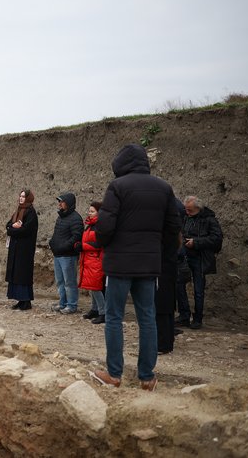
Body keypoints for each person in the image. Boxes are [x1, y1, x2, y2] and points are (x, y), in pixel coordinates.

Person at [92, 143, 181, 391]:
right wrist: (159, 253)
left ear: (120, 163)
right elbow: (173, 226)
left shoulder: (118, 186)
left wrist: (101, 242)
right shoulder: (164, 187)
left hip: (119, 264)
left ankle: (114, 374)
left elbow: (106, 225)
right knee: (148, 318)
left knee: (114, 318)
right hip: (149, 265)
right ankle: (146, 377)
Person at [175, 195, 223, 330]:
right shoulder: (186, 217)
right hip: (185, 257)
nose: (187, 213)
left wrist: (196, 243)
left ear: (198, 209)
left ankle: (197, 319)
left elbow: (216, 239)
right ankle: (184, 315)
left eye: (190, 210)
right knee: (179, 285)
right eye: (186, 210)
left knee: (198, 290)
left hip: (200, 258)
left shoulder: (209, 219)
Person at [49, 193, 84, 314]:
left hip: (68, 256)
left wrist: (63, 247)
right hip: (58, 255)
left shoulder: (76, 218)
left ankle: (72, 305)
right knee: (60, 281)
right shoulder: (61, 217)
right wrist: (52, 243)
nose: (59, 204)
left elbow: (76, 237)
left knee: (69, 282)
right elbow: (57, 233)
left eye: (62, 202)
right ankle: (62, 303)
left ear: (68, 203)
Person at [5, 189, 39, 310]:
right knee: (16, 273)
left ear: (28, 198)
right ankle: (19, 299)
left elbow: (26, 230)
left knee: (23, 274)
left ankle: (26, 300)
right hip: (15, 248)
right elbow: (8, 226)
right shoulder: (18, 211)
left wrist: (14, 229)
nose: (21, 198)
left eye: (23, 197)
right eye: (20, 196)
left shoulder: (31, 213)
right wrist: (14, 227)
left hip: (25, 250)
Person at [78, 201, 106, 324]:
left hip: (96, 260)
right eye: (89, 211)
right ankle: (95, 309)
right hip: (88, 259)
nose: (90, 213)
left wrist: (82, 246)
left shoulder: (100, 226)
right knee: (91, 286)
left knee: (96, 288)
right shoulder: (89, 225)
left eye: (92, 211)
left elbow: (98, 244)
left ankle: (103, 312)